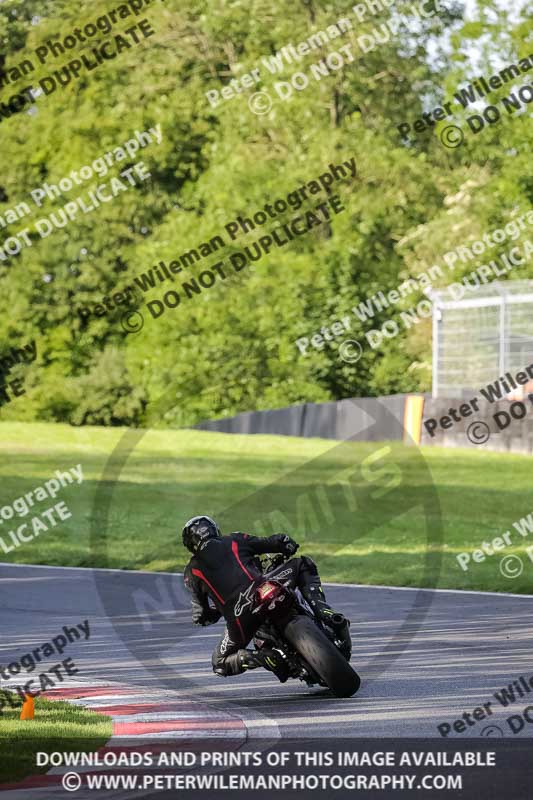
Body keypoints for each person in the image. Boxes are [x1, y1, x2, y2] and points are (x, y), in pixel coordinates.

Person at [182, 515, 351, 682]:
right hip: (264, 587)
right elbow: (275, 541)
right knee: (302, 564)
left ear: (190, 545)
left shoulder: (191, 572)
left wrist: (213, 614)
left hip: (240, 617)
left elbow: (200, 614)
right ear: (214, 530)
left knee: (219, 662)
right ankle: (324, 611)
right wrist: (287, 544)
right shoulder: (234, 539)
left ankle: (261, 657)